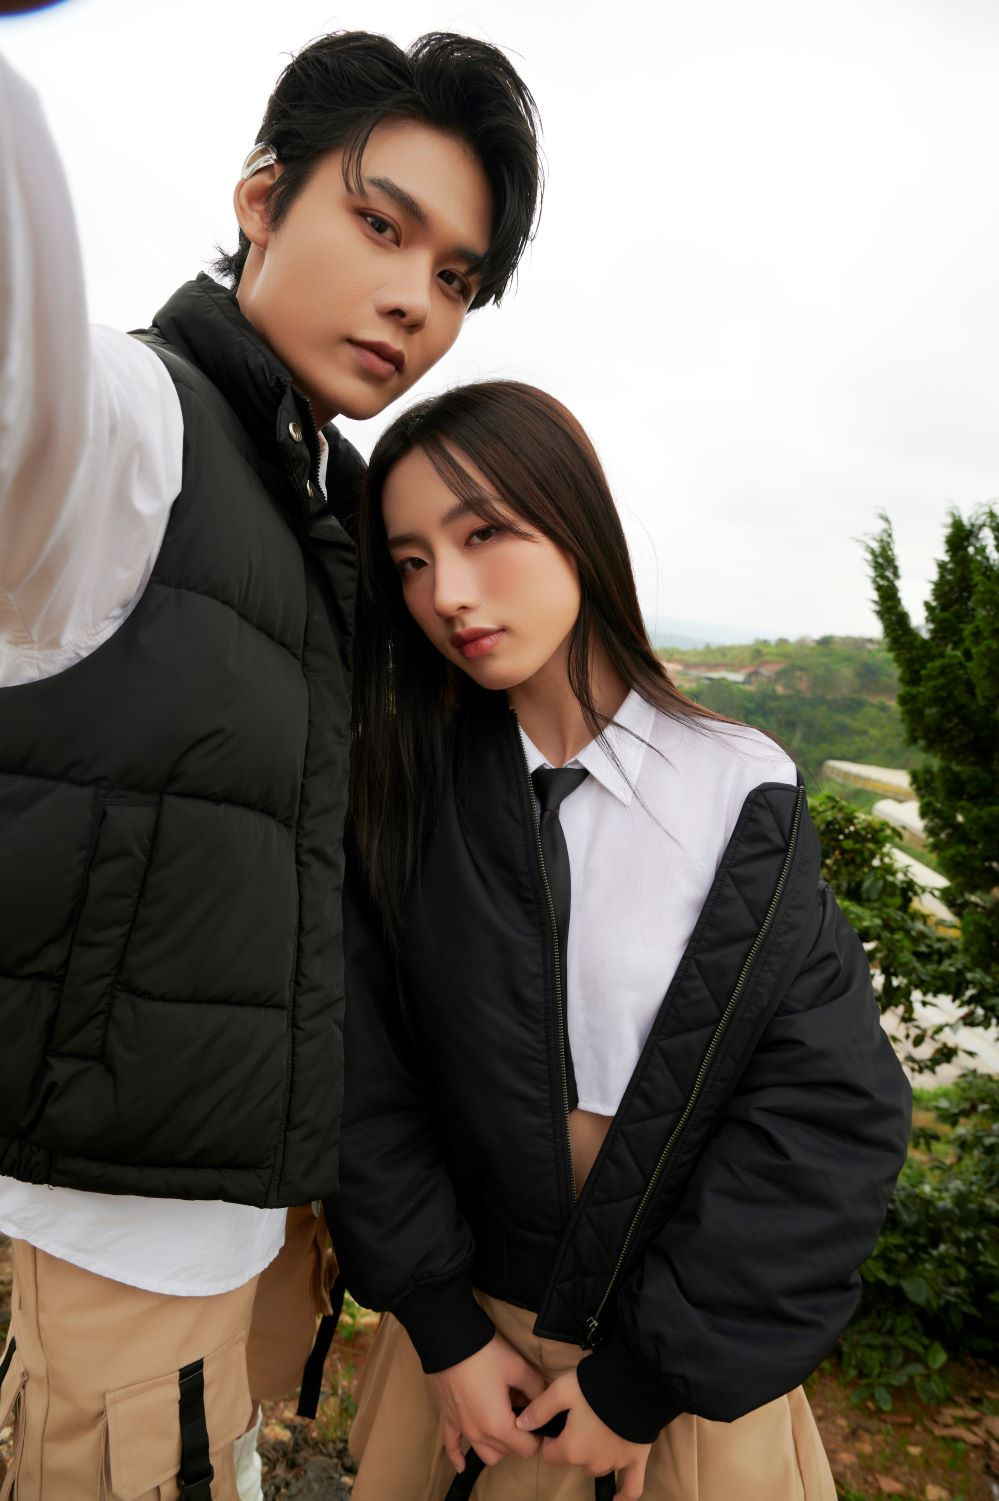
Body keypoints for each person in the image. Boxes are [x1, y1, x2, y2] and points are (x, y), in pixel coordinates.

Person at [0, 32, 541, 1501]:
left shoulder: (334, 515)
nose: (414, 300)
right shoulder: (137, 428)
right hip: (101, 1237)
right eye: (381, 225)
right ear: (259, 198)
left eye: (456, 276)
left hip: (258, 1228)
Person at [326, 380, 913, 1501]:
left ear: (575, 521)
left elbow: (827, 1114)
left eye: (482, 532)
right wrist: (445, 1328)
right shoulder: (403, 793)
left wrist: (644, 1379)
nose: (447, 592)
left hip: (675, 1375)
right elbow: (360, 1075)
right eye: (408, 560)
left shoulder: (737, 787)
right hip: (468, 1370)